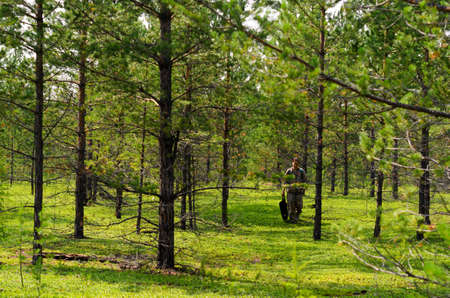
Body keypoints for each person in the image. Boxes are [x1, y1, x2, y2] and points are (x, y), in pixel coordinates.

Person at [282, 157, 306, 223]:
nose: (295, 164)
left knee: (299, 206)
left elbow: (304, 181)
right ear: (292, 163)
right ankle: (292, 219)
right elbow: (285, 181)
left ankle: (297, 217)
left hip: (299, 192)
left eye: (297, 163)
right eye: (294, 163)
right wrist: (283, 191)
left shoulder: (301, 171)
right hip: (290, 191)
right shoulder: (289, 171)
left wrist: (303, 190)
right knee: (291, 205)